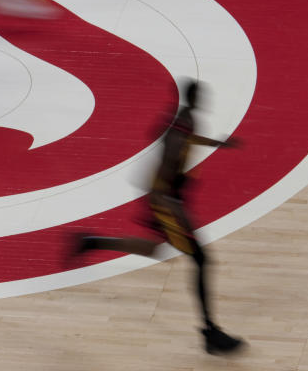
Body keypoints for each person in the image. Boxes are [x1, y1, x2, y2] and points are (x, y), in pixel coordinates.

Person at [76, 79, 246, 355]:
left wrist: (218, 143)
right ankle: (209, 332)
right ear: (194, 98)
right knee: (202, 259)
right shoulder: (177, 136)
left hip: (168, 199)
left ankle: (90, 242)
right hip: (166, 202)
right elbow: (165, 176)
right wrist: (177, 212)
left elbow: (188, 139)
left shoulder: (185, 118)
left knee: (154, 249)